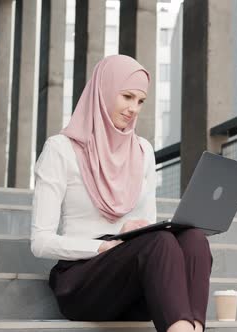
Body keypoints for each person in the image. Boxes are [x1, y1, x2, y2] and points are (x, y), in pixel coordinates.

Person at [30, 54, 213, 332]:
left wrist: (133, 231)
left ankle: (193, 328)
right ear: (103, 92)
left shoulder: (143, 151)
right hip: (83, 282)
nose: (133, 109)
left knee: (193, 238)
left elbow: (150, 228)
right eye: (126, 96)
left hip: (134, 284)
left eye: (140, 101)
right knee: (160, 242)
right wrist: (103, 246)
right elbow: (40, 242)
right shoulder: (61, 149)